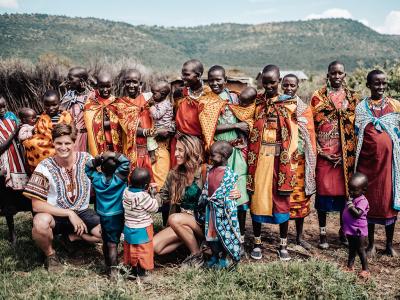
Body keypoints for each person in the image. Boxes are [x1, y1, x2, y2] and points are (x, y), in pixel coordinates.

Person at [24, 124, 101, 272]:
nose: (63, 147)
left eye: (67, 143)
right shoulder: (44, 166)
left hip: (83, 212)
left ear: (74, 142)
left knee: (109, 231)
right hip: (56, 215)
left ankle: (74, 237)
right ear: (53, 142)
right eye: (59, 143)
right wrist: (69, 213)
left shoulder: (87, 160)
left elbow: (104, 183)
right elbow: (36, 206)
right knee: (40, 223)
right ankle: (50, 255)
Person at [200, 65, 255, 252]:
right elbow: (209, 128)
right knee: (217, 193)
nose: (215, 83)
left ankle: (238, 235)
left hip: (237, 153)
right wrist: (237, 124)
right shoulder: (205, 101)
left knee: (239, 194)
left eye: (218, 79)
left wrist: (243, 126)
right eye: (211, 80)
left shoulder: (234, 98)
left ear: (225, 79)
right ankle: (217, 234)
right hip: (217, 153)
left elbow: (248, 118)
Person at [247, 65, 298, 261]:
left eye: (273, 82)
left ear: (279, 81)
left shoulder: (289, 104)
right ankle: (257, 242)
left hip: (281, 161)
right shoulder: (257, 103)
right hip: (259, 159)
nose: (269, 86)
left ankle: (282, 244)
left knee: (281, 200)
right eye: (265, 82)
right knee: (258, 199)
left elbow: (294, 133)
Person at [311, 61, 359, 249]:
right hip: (324, 156)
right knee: (323, 196)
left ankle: (343, 231)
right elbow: (312, 128)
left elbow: (355, 128)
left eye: (340, 73)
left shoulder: (353, 98)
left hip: (345, 157)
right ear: (328, 75)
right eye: (333, 73)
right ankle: (322, 234)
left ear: (344, 75)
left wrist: (346, 152)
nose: (337, 76)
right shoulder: (317, 97)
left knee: (344, 196)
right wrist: (322, 153)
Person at [354, 69, 400, 257]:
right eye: (376, 83)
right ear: (368, 85)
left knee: (388, 202)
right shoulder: (361, 108)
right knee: (370, 202)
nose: (380, 87)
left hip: (389, 165)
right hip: (367, 165)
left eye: (383, 83)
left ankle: (389, 244)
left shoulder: (395, 106)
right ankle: (371, 244)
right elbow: (357, 135)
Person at [153, 134, 205, 266]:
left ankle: (196, 255)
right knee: (156, 247)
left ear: (191, 150)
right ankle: (194, 243)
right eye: (176, 149)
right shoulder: (174, 174)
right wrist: (149, 197)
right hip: (182, 222)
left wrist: (234, 191)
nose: (176, 154)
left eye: (180, 150)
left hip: (202, 223)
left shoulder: (206, 171)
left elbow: (225, 184)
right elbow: (162, 196)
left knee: (174, 219)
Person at [281, 74, 317, 249]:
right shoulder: (277, 105)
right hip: (282, 161)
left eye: (292, 85)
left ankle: (299, 237)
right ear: (281, 85)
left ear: (297, 87)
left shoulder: (304, 109)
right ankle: (284, 237)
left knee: (300, 200)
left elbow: (309, 135)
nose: (288, 88)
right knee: (284, 198)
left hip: (301, 162)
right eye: (286, 85)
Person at [85, 151, 130, 279]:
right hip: (117, 214)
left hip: (102, 215)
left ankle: (108, 265)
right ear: (117, 169)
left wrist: (98, 159)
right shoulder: (120, 178)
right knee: (113, 243)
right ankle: (113, 270)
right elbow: (126, 161)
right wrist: (113, 155)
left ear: (102, 168)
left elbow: (87, 167)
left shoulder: (97, 179)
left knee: (107, 241)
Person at [199, 141, 241, 268]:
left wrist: (235, 196)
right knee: (211, 236)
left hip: (223, 213)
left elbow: (233, 193)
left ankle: (224, 258)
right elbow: (206, 189)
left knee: (223, 235)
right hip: (211, 211)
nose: (210, 158)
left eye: (213, 155)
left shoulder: (229, 174)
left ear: (223, 156)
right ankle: (215, 256)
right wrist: (202, 201)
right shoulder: (210, 171)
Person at [0, 96, 30, 245]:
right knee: (7, 199)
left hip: (19, 160)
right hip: (4, 165)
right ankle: (12, 232)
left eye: (4, 106)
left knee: (26, 194)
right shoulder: (11, 124)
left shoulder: (11, 118)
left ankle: (34, 225)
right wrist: (13, 134)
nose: (2, 110)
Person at [114, 69, 153, 175]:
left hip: (151, 147)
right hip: (132, 148)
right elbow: (128, 127)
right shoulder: (120, 104)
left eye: (134, 82)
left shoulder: (149, 99)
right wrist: (149, 132)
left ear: (140, 83)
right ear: (124, 83)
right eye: (128, 82)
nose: (131, 85)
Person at [123, 167, 159, 279]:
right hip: (142, 228)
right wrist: (152, 194)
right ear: (145, 186)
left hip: (129, 227)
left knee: (131, 249)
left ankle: (132, 270)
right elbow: (154, 208)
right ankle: (142, 273)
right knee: (143, 251)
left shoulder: (126, 192)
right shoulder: (144, 197)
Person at [23, 90, 72, 172]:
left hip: (62, 144)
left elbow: (70, 132)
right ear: (43, 105)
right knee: (31, 143)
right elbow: (38, 134)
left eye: (54, 105)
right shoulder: (41, 118)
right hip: (45, 146)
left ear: (59, 103)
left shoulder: (65, 117)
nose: (51, 108)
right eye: (47, 105)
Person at [170, 59, 206, 167]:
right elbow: (175, 115)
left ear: (198, 75)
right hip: (179, 142)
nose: (182, 77)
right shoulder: (179, 93)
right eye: (182, 74)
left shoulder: (208, 96)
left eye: (186, 74)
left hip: (197, 145)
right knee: (177, 175)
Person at [84, 72, 122, 157]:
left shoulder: (118, 103)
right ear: (97, 87)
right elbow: (90, 127)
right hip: (99, 149)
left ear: (113, 86)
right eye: (102, 86)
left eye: (108, 86)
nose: (105, 90)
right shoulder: (91, 105)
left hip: (116, 148)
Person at [147, 80, 175, 189]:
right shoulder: (161, 103)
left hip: (162, 128)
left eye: (154, 93)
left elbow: (157, 115)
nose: (152, 95)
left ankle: (152, 155)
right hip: (160, 128)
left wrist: (151, 106)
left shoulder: (165, 104)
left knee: (150, 137)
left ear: (162, 94)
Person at [342, 172, 370, 278]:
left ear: (363, 190)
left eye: (354, 190)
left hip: (359, 230)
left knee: (361, 249)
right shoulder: (353, 198)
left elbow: (357, 214)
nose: (351, 192)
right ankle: (350, 266)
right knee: (351, 248)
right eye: (349, 189)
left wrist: (350, 205)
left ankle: (365, 269)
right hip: (350, 229)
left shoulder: (363, 201)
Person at [61, 66, 94, 152]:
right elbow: (62, 113)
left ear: (82, 81)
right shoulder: (68, 96)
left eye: (71, 79)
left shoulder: (92, 97)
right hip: (70, 136)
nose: (68, 81)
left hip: (86, 137)